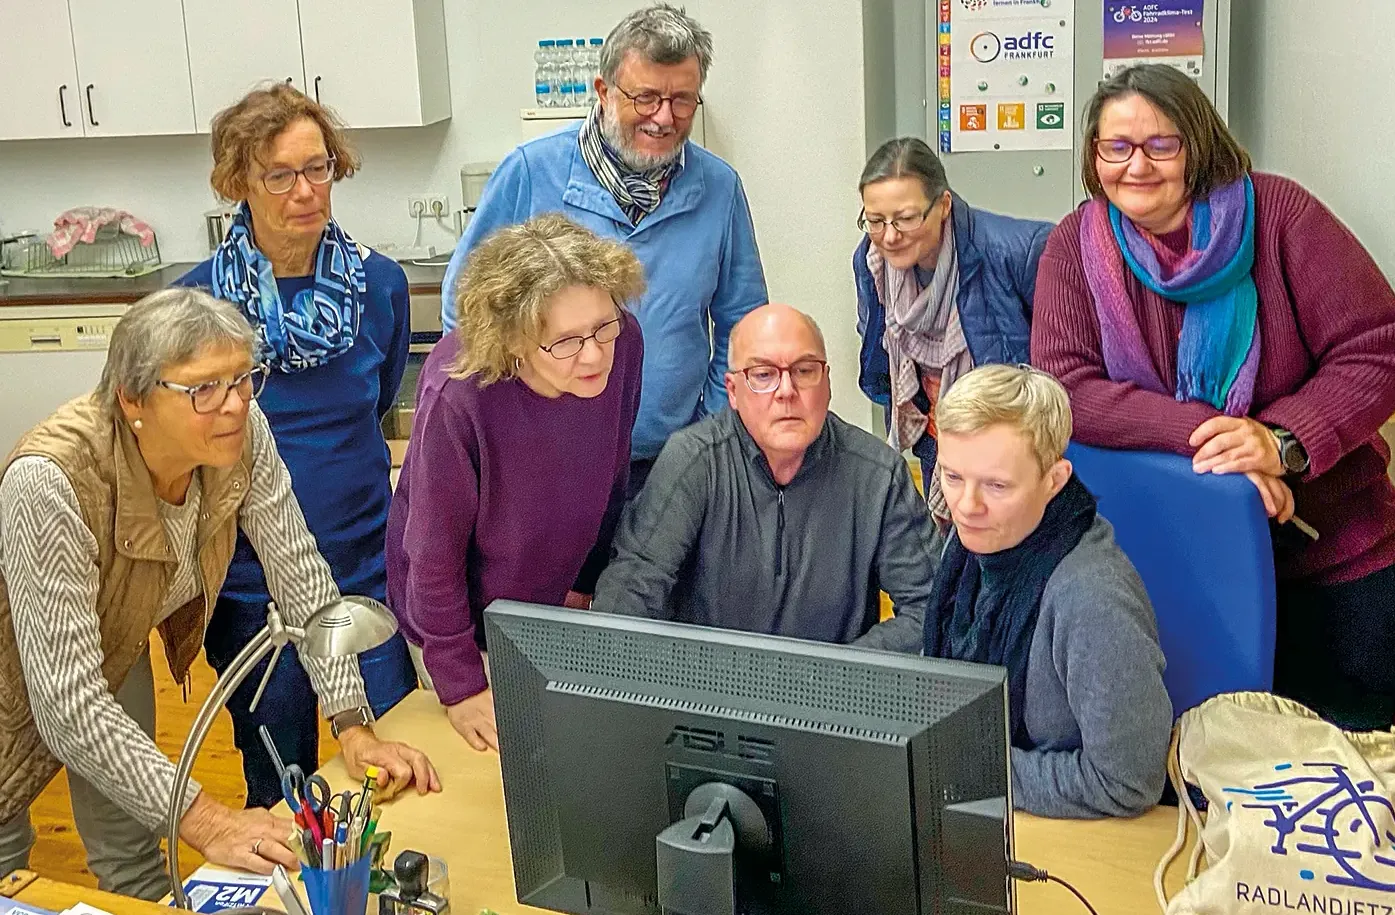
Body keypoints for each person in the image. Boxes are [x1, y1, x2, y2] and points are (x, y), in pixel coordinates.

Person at [0, 289, 439, 900]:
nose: (233, 405)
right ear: (133, 399)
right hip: (15, 669)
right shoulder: (49, 482)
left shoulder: (241, 431)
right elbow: (66, 702)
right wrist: (209, 820)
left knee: (129, 849)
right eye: (203, 389)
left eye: (242, 379)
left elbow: (299, 572)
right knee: (6, 858)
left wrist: (351, 722)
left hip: (110, 637)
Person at [1030, 64, 1395, 730]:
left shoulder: (1280, 214)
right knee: (1202, 765)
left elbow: (1377, 344)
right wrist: (1222, 439)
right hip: (1175, 563)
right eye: (1115, 146)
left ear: (1196, 144)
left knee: (1350, 762)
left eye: (1159, 144)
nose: (1135, 165)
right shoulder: (1071, 248)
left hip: (1328, 554)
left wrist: (1279, 441)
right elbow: (1063, 386)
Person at [175, 84, 417, 810]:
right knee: (280, 785)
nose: (306, 191)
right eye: (280, 174)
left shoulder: (378, 284)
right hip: (251, 585)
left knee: (394, 762)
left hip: (367, 565)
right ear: (238, 183)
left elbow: (373, 407)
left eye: (318, 169)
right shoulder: (196, 309)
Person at [439, 3, 766, 491]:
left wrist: (708, 431)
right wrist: (510, 424)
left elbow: (744, 323)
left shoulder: (719, 189)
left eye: (682, 100)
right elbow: (464, 309)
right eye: (646, 97)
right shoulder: (531, 174)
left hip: (672, 464)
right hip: (546, 464)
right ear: (604, 92)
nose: (664, 117)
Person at [388, 215, 645, 753]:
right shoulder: (459, 394)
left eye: (603, 326)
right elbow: (431, 556)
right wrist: (460, 684)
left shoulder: (623, 344)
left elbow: (612, 468)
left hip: (545, 603)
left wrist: (589, 577)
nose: (595, 354)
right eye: (567, 342)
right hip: (457, 623)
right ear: (515, 341)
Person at [592, 303, 938, 650]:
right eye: (763, 374)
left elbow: (930, 607)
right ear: (732, 392)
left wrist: (836, 676)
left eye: (804, 370)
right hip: (706, 693)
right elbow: (627, 597)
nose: (786, 390)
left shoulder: (878, 475)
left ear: (827, 382)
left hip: (831, 697)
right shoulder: (692, 461)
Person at [925, 364, 1171, 818]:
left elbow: (1127, 782)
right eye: (952, 476)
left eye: (997, 485)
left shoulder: (1092, 600)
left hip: (1073, 836)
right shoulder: (972, 548)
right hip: (987, 811)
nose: (966, 506)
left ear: (1054, 481)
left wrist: (962, 768)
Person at [854, 138, 1051, 521]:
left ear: (943, 206)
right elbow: (877, 337)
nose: (890, 236)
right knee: (949, 553)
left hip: (1007, 440)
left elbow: (1057, 365)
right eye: (875, 220)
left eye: (906, 218)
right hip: (936, 431)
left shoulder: (1018, 251)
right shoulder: (871, 259)